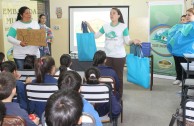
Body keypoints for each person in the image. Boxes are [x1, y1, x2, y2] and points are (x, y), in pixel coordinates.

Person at [87, 7, 141, 97]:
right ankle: (109, 93)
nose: (111, 15)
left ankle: (119, 95)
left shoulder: (123, 26)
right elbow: (96, 36)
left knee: (118, 77)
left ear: (118, 15)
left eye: (114, 13)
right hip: (107, 56)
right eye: (110, 13)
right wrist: (89, 25)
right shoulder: (105, 26)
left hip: (119, 56)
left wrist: (133, 41)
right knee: (107, 77)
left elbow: (127, 41)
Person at [172, 15, 187, 86]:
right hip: (176, 50)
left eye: (184, 19)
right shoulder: (177, 29)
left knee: (183, 66)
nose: (182, 21)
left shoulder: (189, 29)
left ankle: (184, 80)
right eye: (181, 20)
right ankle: (178, 78)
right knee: (177, 65)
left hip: (184, 51)